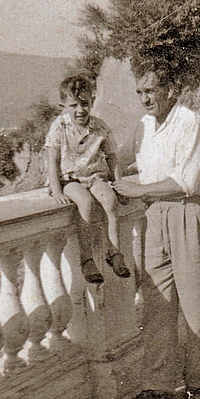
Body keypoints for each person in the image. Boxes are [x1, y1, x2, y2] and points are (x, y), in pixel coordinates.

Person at [111, 64, 200, 399]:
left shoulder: (191, 123)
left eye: (152, 89)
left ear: (172, 88)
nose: (146, 98)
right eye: (140, 91)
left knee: (193, 306)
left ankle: (197, 384)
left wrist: (138, 189)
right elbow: (118, 158)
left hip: (187, 212)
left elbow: (184, 181)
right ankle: (157, 386)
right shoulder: (144, 126)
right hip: (154, 216)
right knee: (156, 305)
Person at [45, 74, 130, 284]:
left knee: (110, 201)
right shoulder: (59, 127)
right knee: (86, 203)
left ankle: (114, 252)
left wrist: (118, 184)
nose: (80, 110)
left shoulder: (99, 127)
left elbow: (112, 156)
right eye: (73, 105)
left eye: (85, 104)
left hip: (94, 176)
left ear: (92, 101)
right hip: (69, 179)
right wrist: (56, 190)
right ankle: (87, 259)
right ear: (63, 105)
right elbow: (52, 160)